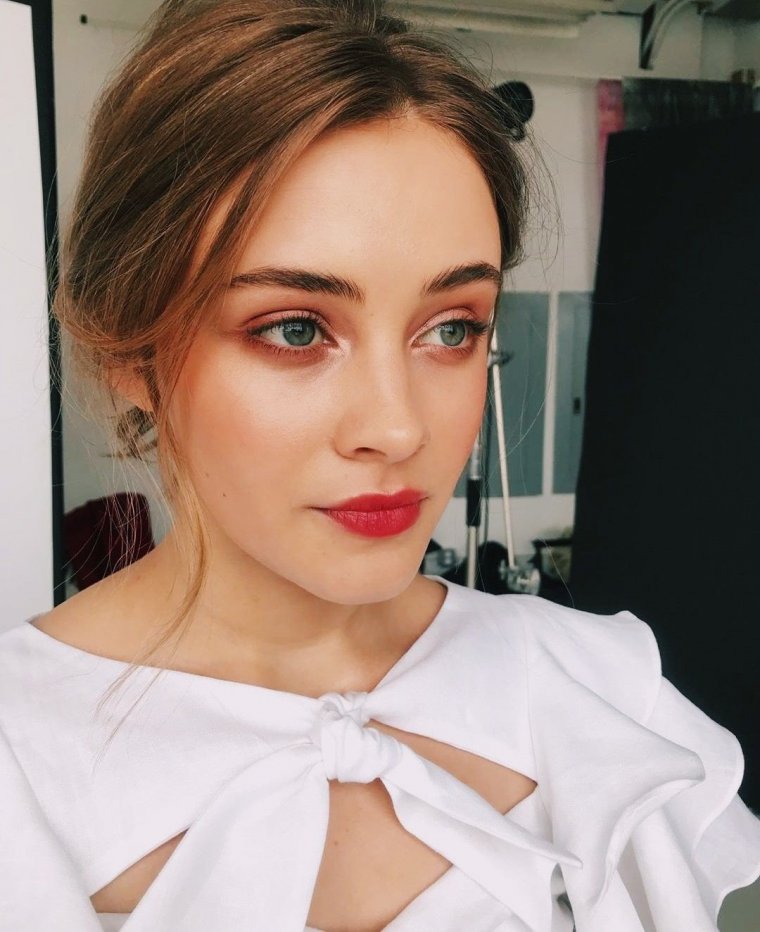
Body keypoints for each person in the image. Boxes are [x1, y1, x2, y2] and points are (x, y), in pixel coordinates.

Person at [1, 0, 758, 929]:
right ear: (130, 350)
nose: (397, 429)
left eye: (451, 328)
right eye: (295, 329)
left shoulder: (598, 687)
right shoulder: (19, 753)